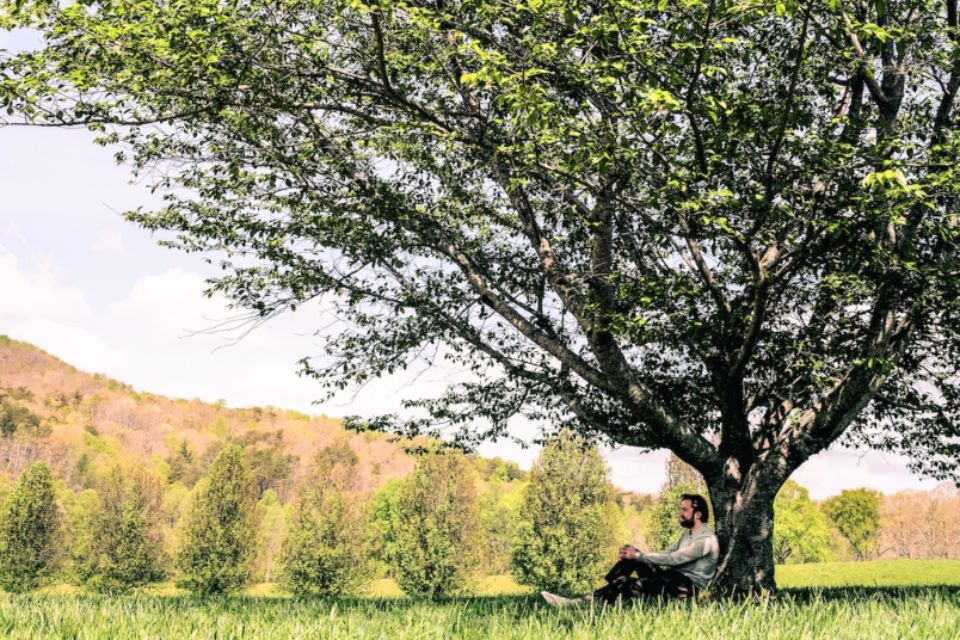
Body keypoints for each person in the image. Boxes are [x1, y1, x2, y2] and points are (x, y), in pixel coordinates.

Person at [541, 493, 719, 607]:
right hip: (670, 578)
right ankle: (614, 589)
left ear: (698, 514)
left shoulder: (706, 540)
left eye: (684, 510)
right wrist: (635, 554)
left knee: (628, 577)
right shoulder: (686, 534)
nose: (681, 513)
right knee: (631, 557)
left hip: (684, 587)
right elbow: (666, 553)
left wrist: (640, 555)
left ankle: (577, 603)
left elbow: (674, 559)